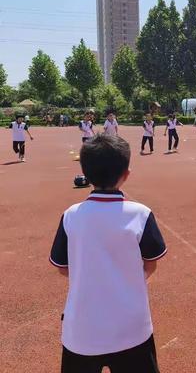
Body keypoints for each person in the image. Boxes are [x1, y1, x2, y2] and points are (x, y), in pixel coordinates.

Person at [49, 134, 166, 373]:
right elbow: (151, 263)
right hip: (132, 329)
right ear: (126, 175)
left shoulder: (71, 215)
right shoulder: (141, 214)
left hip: (81, 331)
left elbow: (62, 266)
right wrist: (129, 279)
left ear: (85, 174)